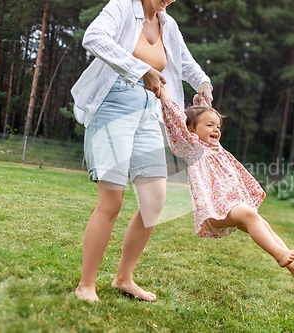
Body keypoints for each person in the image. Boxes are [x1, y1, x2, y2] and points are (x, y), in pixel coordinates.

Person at [71, 0, 213, 302]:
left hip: (151, 111)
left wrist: (203, 83)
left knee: (154, 201)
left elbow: (185, 62)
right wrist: (140, 68)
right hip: (113, 106)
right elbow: (94, 37)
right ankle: (86, 285)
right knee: (112, 199)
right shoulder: (123, 6)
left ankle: (124, 278)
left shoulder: (168, 24)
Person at [158, 85, 294, 278]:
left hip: (230, 206)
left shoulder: (215, 147)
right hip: (215, 211)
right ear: (191, 130)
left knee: (263, 224)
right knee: (251, 215)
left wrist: (203, 98)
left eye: (218, 126)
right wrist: (163, 92)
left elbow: (202, 114)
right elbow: (176, 118)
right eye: (210, 126)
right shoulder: (193, 147)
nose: (216, 129)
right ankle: (280, 255)